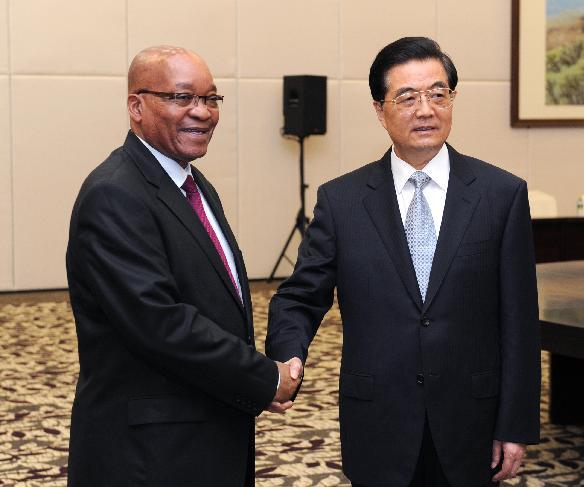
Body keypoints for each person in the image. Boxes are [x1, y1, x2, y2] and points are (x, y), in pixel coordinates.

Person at [266, 37, 540, 487]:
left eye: (438, 94)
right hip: (379, 417)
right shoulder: (342, 201)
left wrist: (515, 425)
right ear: (380, 109)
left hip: (471, 417)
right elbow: (300, 296)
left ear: (452, 100)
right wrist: (286, 357)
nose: (426, 109)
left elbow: (519, 321)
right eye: (407, 97)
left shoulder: (501, 195)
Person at [66, 45, 299, 487]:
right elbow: (160, 323)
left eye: (211, 99)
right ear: (136, 106)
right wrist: (262, 378)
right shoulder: (114, 194)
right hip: (149, 455)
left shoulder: (192, 183)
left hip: (200, 434)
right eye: (182, 98)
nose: (203, 112)